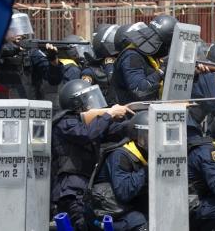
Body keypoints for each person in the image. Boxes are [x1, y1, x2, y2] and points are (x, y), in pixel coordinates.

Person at [51, 79, 132, 230]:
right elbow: (87, 134)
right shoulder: (65, 122)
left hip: (83, 189)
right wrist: (109, 114)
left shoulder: (91, 124)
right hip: (70, 190)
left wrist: (136, 120)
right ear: (76, 104)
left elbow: (115, 131)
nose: (92, 105)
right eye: (88, 101)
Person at [86, 111, 149, 231]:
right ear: (137, 136)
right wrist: (146, 171)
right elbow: (124, 192)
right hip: (109, 214)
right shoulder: (121, 155)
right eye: (147, 135)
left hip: (129, 208)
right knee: (143, 223)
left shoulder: (148, 154)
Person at [111, 15, 178, 104]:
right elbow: (139, 90)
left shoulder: (152, 56)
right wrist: (162, 71)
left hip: (151, 112)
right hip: (129, 115)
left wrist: (192, 72)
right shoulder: (131, 56)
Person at [0, 12, 63, 99]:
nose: (19, 33)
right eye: (14, 29)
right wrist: (15, 49)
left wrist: (53, 60)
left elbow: (54, 80)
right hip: (0, 106)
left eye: (21, 28)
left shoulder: (31, 52)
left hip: (29, 108)